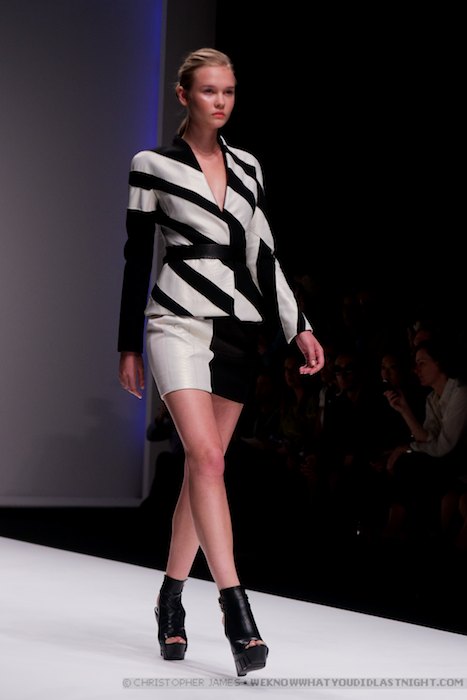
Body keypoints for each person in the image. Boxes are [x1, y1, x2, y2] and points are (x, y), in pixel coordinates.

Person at [117, 48, 324, 676]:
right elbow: (136, 256)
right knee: (207, 460)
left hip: (236, 331)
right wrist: (128, 344)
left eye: (228, 91)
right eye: (209, 91)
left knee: (202, 469)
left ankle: (170, 597)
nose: (221, 102)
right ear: (184, 95)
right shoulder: (152, 165)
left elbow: (264, 256)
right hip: (175, 323)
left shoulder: (248, 166)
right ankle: (237, 612)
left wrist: (298, 326)